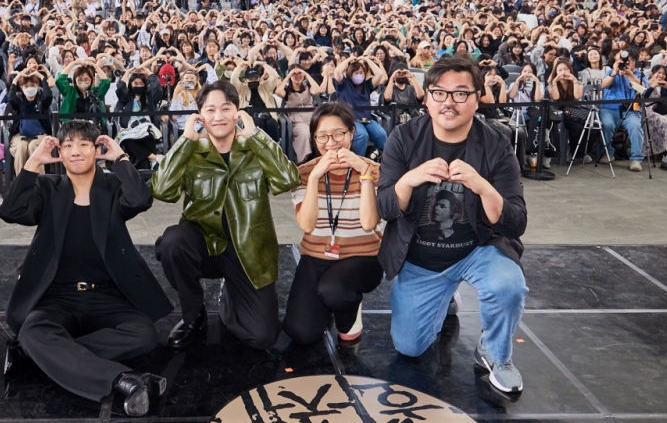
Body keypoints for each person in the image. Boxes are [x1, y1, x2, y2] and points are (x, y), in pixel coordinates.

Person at [377, 56, 528, 393]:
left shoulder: (496, 144)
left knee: (507, 287)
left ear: (477, 99)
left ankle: (496, 354)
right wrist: (409, 180)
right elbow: (385, 208)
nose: (449, 102)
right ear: (426, 98)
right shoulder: (403, 138)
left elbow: (516, 222)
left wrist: (483, 187)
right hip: (422, 259)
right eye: (439, 93)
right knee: (409, 348)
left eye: (461, 94)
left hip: (478, 248)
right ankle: (445, 297)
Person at [0, 122, 171, 415]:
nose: (75, 152)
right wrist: (33, 162)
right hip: (58, 297)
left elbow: (140, 200)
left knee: (144, 334)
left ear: (97, 150)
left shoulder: (113, 188)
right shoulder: (47, 187)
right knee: (34, 329)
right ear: (60, 153)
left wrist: (119, 159)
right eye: (67, 146)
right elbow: (10, 211)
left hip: (107, 297)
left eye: (83, 145)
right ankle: (122, 380)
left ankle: (38, 355)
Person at [151, 81, 300, 351]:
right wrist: (185, 140)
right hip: (203, 246)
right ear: (200, 116)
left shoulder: (255, 148)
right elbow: (162, 190)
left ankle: (228, 295)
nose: (218, 117)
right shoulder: (192, 151)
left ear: (237, 112)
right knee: (172, 242)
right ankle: (193, 314)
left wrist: (256, 135)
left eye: (225, 108)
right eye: (210, 110)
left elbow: (288, 179)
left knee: (262, 336)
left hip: (248, 252)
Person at [283, 103, 383, 346]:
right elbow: (307, 225)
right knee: (301, 333)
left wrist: (365, 175)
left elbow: (370, 222)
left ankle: (348, 302)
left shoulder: (378, 171)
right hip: (316, 256)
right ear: (314, 137)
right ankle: (331, 299)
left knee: (336, 291)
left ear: (351, 133)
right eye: (322, 136)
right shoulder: (305, 173)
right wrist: (316, 176)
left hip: (362, 256)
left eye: (338, 133)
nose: (331, 142)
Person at [596, 50, 647, 172]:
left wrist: (629, 75)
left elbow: (643, 90)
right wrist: (615, 71)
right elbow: (602, 85)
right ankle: (607, 153)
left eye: (628, 61)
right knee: (606, 124)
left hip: (630, 110)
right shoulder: (610, 72)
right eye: (621, 61)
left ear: (634, 62)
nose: (625, 64)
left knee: (635, 126)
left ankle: (636, 159)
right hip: (610, 108)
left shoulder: (639, 75)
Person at [7, 69, 54, 174]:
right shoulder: (19, 101)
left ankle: (39, 182)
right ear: (22, 87)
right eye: (26, 86)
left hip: (40, 136)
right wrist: (16, 79)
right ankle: (21, 182)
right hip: (20, 136)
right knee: (21, 147)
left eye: (32, 85)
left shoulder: (42, 100)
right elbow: (10, 99)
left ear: (37, 86)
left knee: (33, 147)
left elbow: (49, 96)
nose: (29, 88)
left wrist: (41, 77)